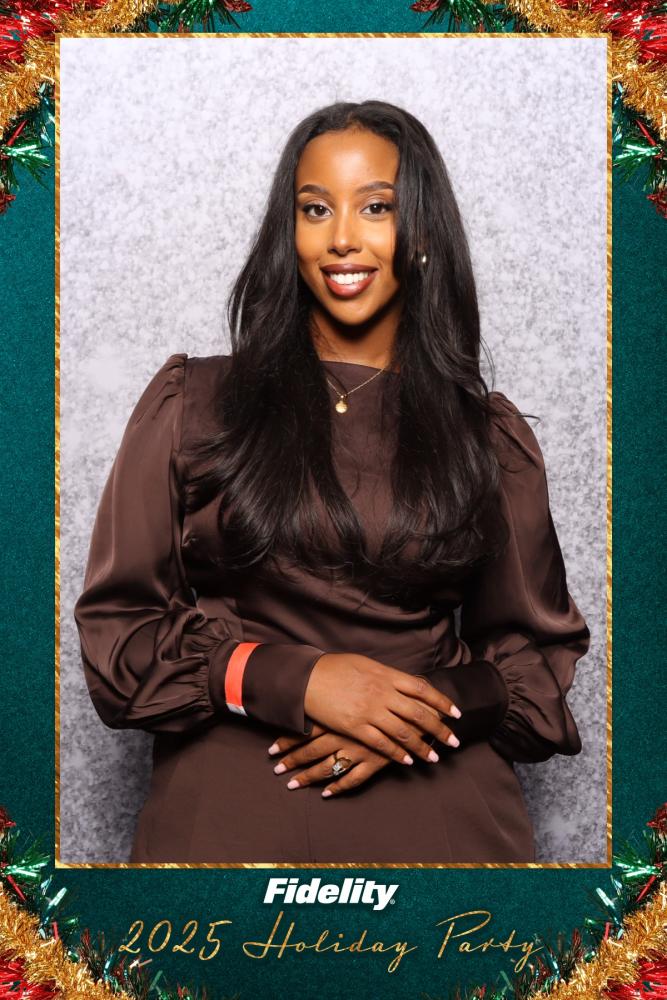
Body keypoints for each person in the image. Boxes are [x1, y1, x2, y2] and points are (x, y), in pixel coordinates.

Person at [73, 100, 590, 864]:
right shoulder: (193, 405)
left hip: (446, 842)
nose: (342, 235)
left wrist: (417, 712)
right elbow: (118, 638)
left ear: (421, 233)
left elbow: (534, 667)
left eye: (376, 207)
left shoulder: (486, 436)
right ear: (288, 233)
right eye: (315, 208)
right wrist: (295, 679)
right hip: (223, 840)